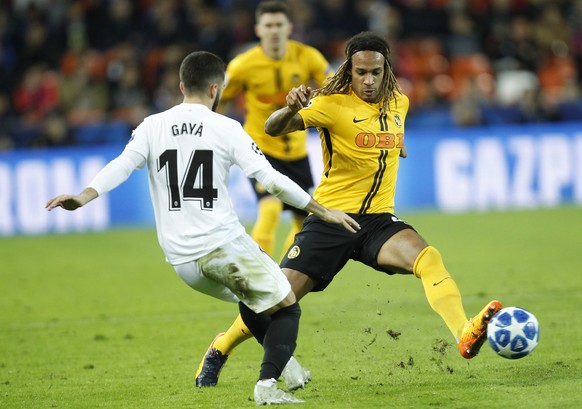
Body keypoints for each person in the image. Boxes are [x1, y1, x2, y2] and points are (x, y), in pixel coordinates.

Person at [45, 50, 360, 406]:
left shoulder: (152, 126)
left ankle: (289, 369)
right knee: (286, 306)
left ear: (181, 85)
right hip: (221, 246)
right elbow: (269, 179)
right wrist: (321, 209)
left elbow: (121, 165)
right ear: (216, 88)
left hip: (182, 263)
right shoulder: (226, 128)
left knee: (254, 299)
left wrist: (82, 197)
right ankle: (267, 386)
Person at [195, 32, 503, 387]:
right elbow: (272, 128)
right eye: (361, 73)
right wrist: (292, 107)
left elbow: (390, 140)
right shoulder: (331, 105)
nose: (368, 80)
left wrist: (394, 149)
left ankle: (464, 332)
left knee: (428, 258)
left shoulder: (399, 103)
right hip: (331, 219)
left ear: (387, 70)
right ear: (350, 70)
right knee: (277, 300)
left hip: (378, 223)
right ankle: (221, 347)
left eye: (375, 72)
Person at [194, 0, 332, 388]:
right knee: (270, 206)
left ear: (289, 27)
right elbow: (213, 97)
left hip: (297, 152)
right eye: (267, 24)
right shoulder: (242, 65)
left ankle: (281, 272)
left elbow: (333, 84)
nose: (273, 30)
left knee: (307, 225)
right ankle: (261, 266)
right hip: (261, 150)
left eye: (279, 24)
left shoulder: (307, 56)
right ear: (258, 30)